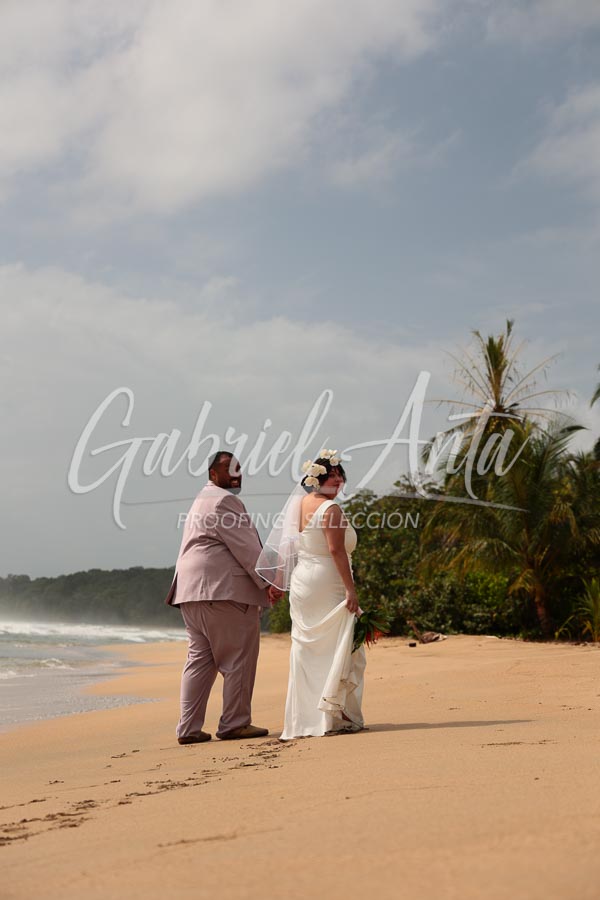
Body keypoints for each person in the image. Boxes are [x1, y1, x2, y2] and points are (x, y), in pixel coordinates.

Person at [166, 451, 281, 744]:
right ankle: (235, 723)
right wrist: (270, 582)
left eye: (239, 468)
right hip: (223, 591)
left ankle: (188, 728)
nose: (237, 474)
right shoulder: (225, 501)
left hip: (190, 592)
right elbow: (247, 549)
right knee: (238, 657)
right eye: (230, 469)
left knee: (199, 661)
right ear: (213, 474)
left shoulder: (200, 500)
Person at [256, 450, 366, 740]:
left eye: (340, 476)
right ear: (317, 480)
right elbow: (336, 550)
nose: (338, 481)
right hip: (327, 582)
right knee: (338, 645)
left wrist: (279, 582)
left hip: (303, 582)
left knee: (308, 650)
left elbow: (288, 546)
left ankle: (307, 718)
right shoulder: (331, 509)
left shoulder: (299, 505)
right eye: (332, 476)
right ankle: (332, 714)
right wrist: (351, 590)